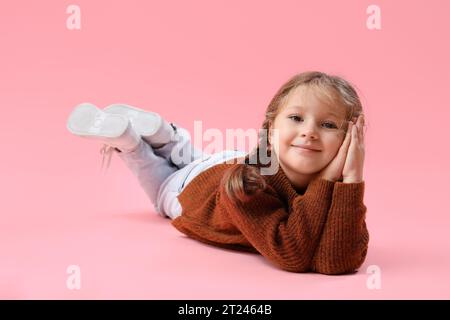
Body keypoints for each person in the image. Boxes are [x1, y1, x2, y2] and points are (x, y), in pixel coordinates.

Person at [66, 71, 368, 275]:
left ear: (349, 139)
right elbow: (294, 253)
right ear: (270, 128)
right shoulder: (245, 190)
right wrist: (333, 179)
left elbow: (338, 261)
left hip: (224, 161)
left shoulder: (336, 190)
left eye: (328, 125)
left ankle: (163, 133)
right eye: (296, 118)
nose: (310, 133)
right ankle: (130, 141)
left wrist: (351, 178)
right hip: (194, 189)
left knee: (191, 156)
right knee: (160, 186)